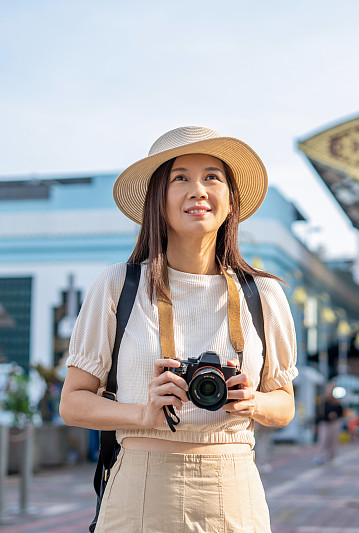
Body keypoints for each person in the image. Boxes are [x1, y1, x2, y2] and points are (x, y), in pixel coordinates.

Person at [59, 126, 298, 533]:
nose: (198, 190)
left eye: (212, 177)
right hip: (140, 488)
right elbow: (72, 403)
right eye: (180, 178)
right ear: (158, 198)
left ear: (229, 199)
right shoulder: (118, 285)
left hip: (234, 492)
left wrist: (250, 401)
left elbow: (285, 406)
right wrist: (143, 412)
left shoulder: (263, 294)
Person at [315, 383, 343, 464]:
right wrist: (316, 424)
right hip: (324, 422)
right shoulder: (323, 401)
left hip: (334, 423)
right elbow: (319, 413)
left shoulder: (337, 401)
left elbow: (341, 412)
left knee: (333, 439)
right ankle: (321, 455)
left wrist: (335, 415)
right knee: (323, 439)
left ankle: (331, 455)